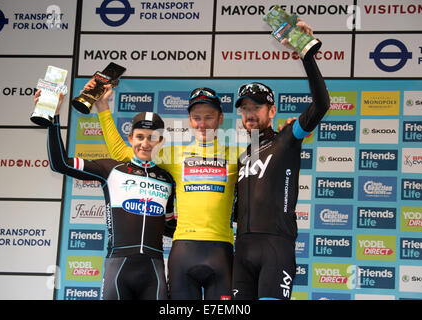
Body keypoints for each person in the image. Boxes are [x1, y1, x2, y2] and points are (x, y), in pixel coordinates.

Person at [91, 84, 239, 299]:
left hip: (222, 251)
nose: (203, 123)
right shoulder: (173, 154)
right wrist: (103, 106)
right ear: (190, 120)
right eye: (197, 117)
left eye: (209, 117)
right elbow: (120, 151)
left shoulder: (238, 154)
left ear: (220, 118)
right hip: (184, 251)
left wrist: (285, 134)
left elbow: (269, 162)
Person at [39, 90, 176, 300]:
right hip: (118, 268)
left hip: (154, 271)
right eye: (140, 137)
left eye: (152, 138)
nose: (145, 143)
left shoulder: (167, 179)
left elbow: (169, 227)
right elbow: (61, 164)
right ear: (130, 138)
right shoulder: (112, 169)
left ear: (160, 142)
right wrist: (52, 116)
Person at [232, 20, 330, 300]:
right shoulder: (241, 156)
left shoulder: (287, 138)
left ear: (271, 110)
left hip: (275, 248)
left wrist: (306, 55)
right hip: (242, 252)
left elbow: (321, 105)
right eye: (244, 109)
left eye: (256, 107)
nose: (249, 114)